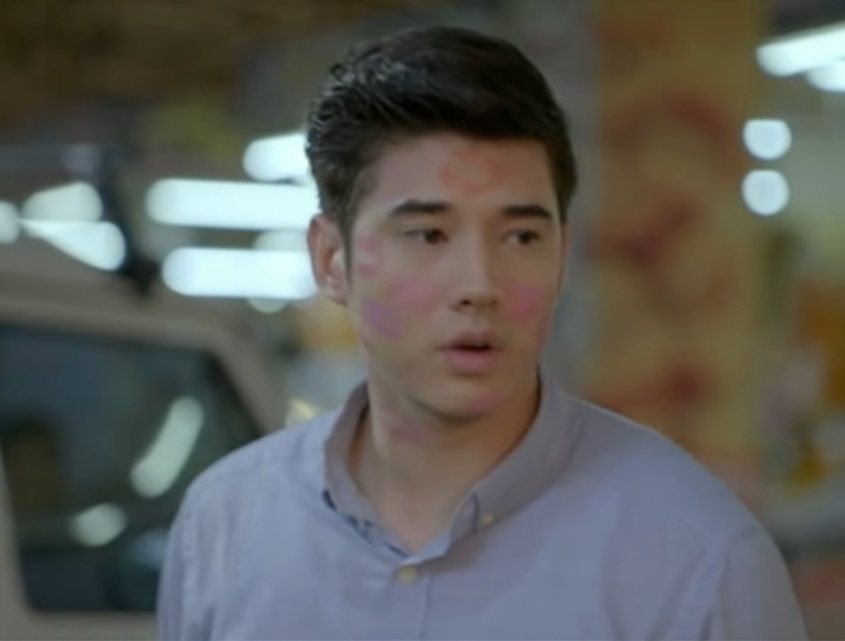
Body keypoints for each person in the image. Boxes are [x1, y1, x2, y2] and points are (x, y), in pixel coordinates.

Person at [157, 25, 807, 640]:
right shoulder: (226, 525)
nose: (479, 284)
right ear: (332, 260)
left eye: (520, 237)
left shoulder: (699, 558)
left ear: (562, 255)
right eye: (428, 234)